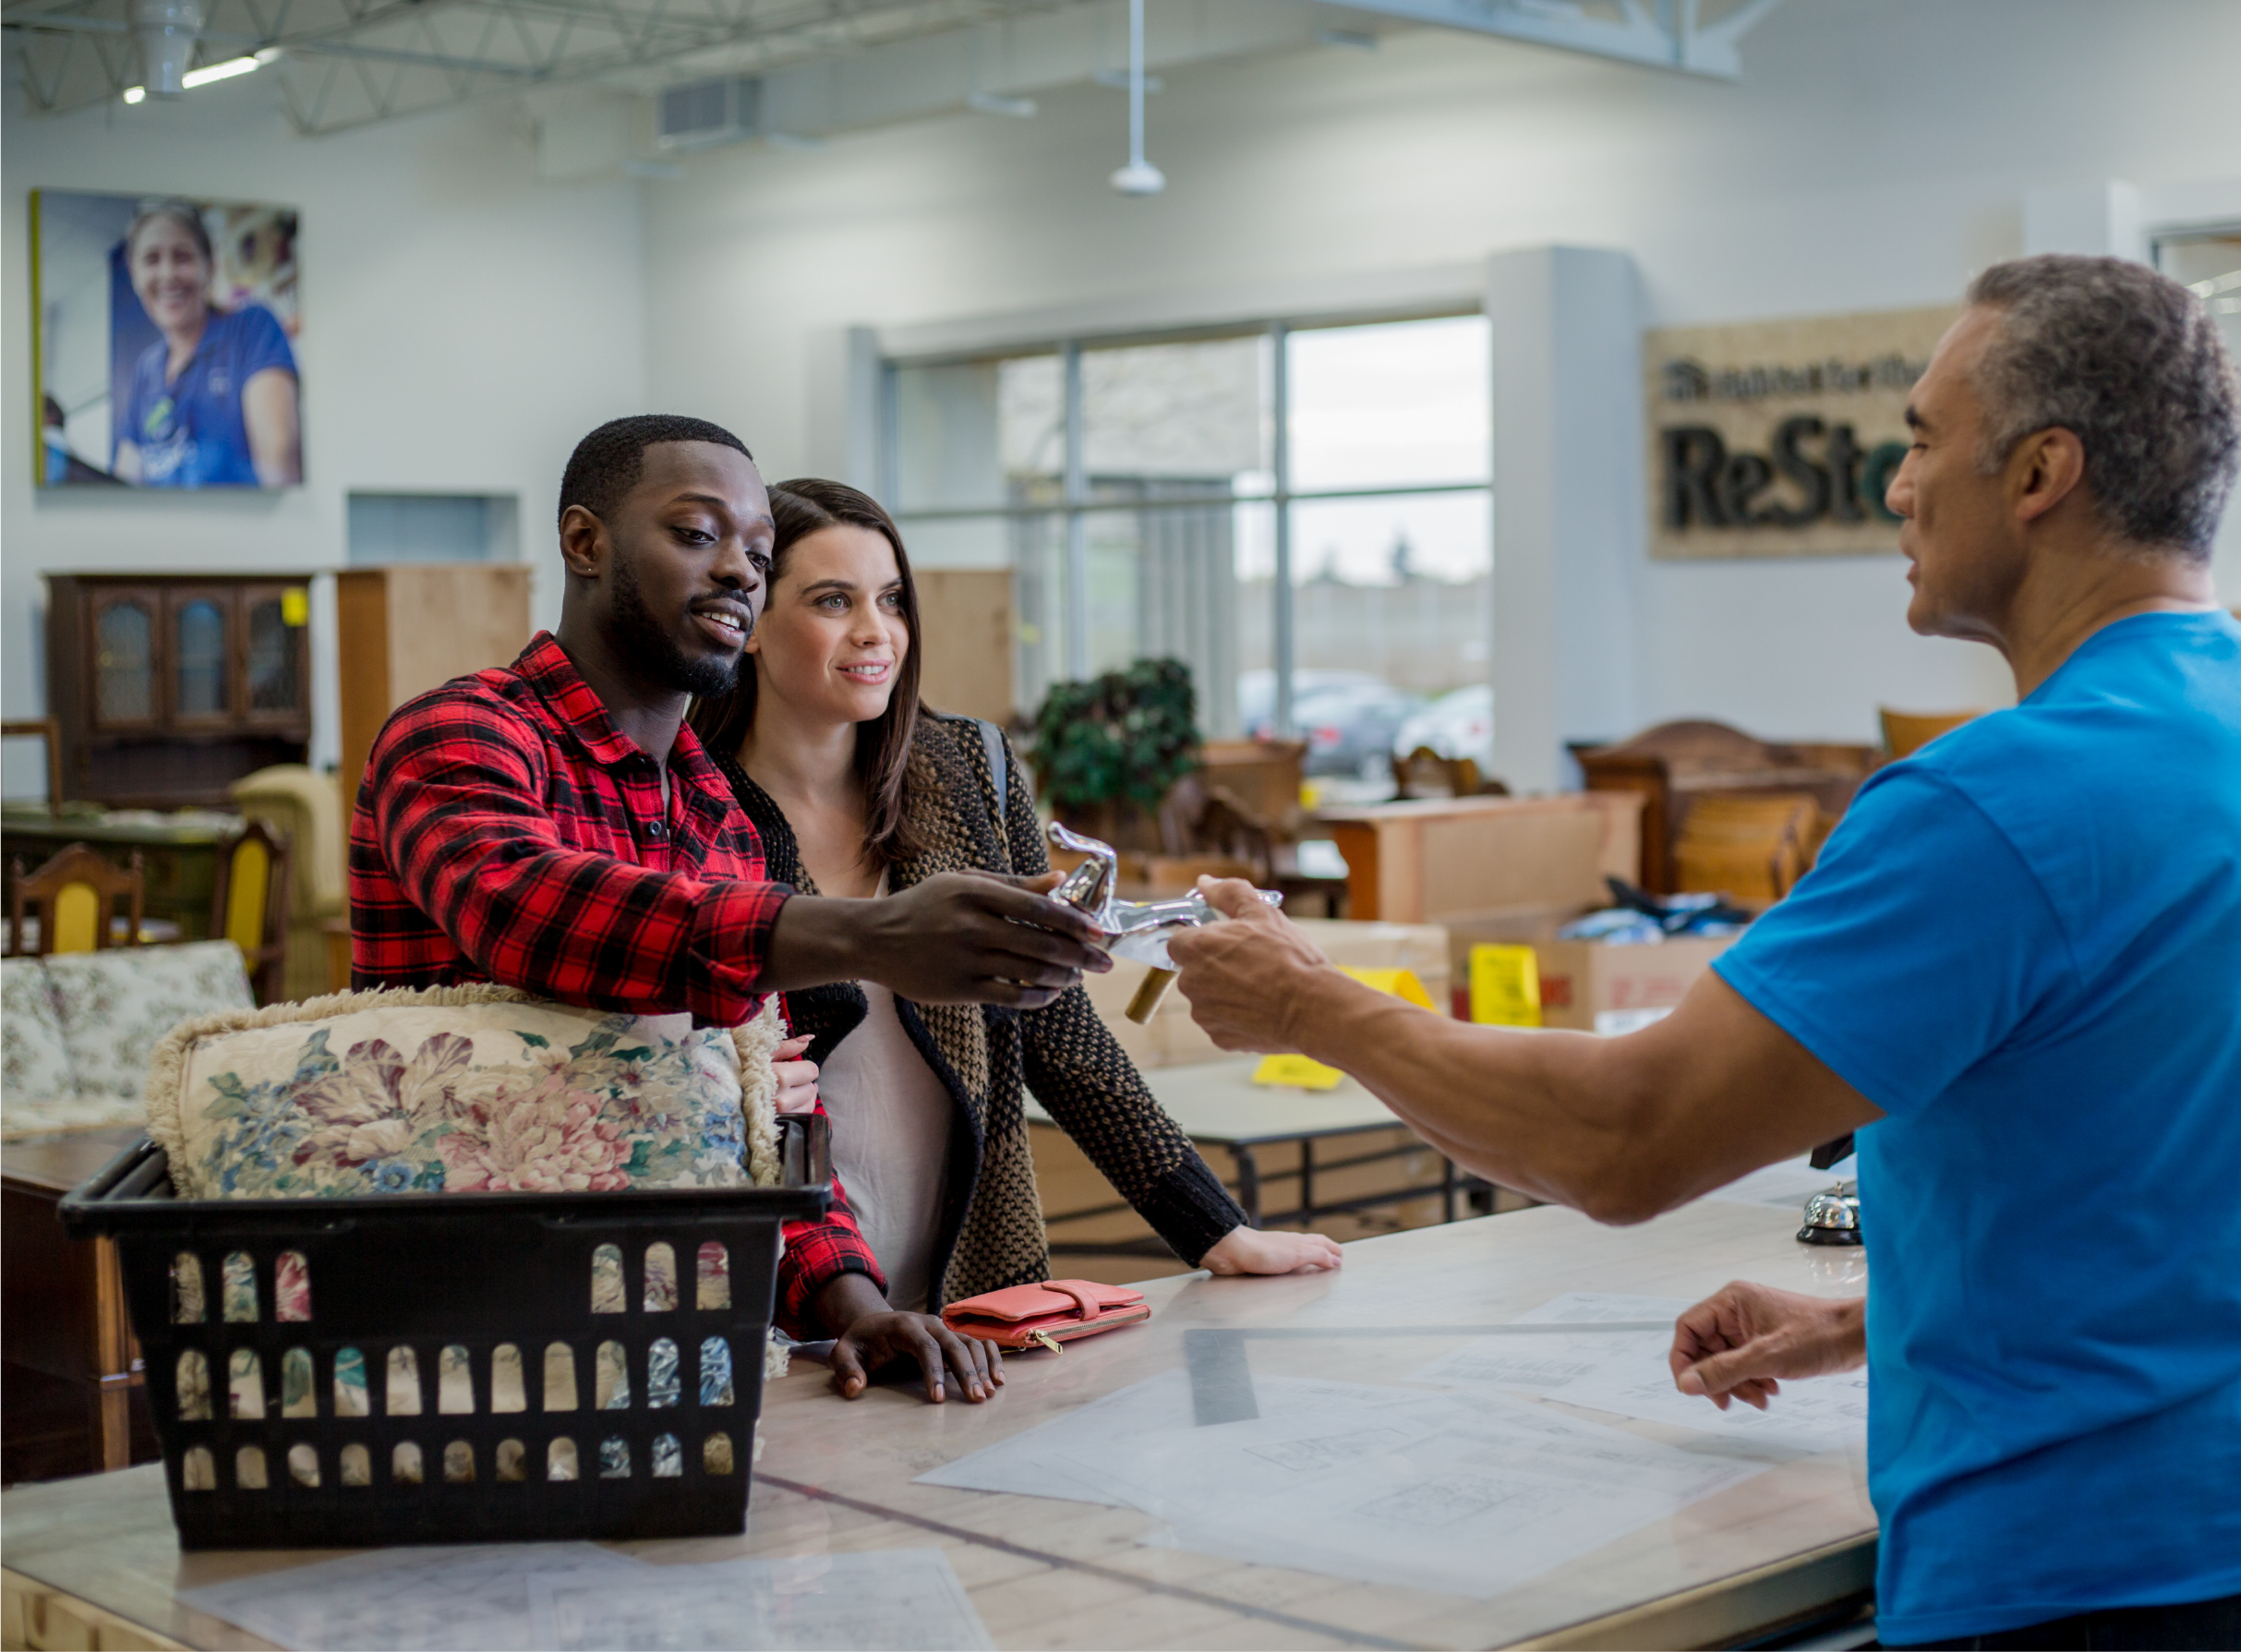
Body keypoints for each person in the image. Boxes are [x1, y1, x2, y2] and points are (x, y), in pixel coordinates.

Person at [1166, 256, 2241, 1649]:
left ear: (2040, 473)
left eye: (1924, 437)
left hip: (2097, 1563)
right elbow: (2191, 1171)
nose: (1896, 484)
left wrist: (1311, 1002)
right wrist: (1876, 1322)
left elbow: (1628, 1141)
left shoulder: (1996, 801)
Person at [353, 414, 1120, 1407]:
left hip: (655, 1338)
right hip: (464, 1325)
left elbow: (755, 1114)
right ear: (584, 543)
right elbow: (530, 913)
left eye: (756, 551)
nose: (737, 571)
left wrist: (856, 1306)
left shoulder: (712, 808)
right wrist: (869, 936)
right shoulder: (461, 733)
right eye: (696, 533)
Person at [687, 478, 1340, 1322]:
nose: (874, 632)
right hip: (776, 1285)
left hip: (972, 1271)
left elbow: (1057, 1027)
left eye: (891, 600)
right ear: (753, 626)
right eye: (831, 600)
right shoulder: (690, 807)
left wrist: (1214, 1229)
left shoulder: (966, 771)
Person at [111, 199, 302, 488]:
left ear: (209, 267)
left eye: (183, 257)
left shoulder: (251, 329)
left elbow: (280, 466)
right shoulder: (146, 370)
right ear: (134, 274)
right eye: (151, 260)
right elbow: (125, 482)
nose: (167, 274)